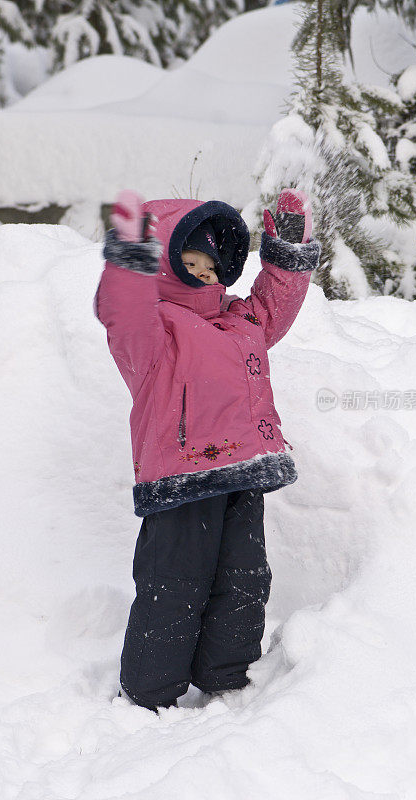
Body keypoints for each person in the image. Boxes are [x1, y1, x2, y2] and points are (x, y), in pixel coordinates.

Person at [94, 189, 321, 712]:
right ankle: (149, 693)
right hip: (182, 480)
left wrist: (286, 251)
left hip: (243, 472)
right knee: (175, 584)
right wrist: (130, 251)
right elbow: (122, 311)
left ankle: (226, 676)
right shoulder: (154, 335)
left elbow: (275, 305)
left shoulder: (243, 321)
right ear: (166, 263)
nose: (202, 273)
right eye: (189, 260)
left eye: (212, 264)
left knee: (243, 579)